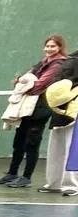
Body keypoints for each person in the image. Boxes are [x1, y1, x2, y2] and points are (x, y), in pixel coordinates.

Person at [0, 35, 68, 188]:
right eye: (47, 46)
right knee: (19, 140)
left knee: (32, 143)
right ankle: (12, 173)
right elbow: (22, 79)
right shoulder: (43, 62)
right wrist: (22, 82)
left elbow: (38, 86)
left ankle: (26, 177)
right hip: (27, 108)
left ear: (59, 48)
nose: (49, 49)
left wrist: (25, 84)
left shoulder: (58, 64)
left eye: (52, 46)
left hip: (42, 108)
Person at [40, 50, 78, 196]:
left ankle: (72, 185)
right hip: (60, 112)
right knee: (57, 149)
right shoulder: (70, 60)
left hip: (73, 113)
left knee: (72, 150)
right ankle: (53, 184)